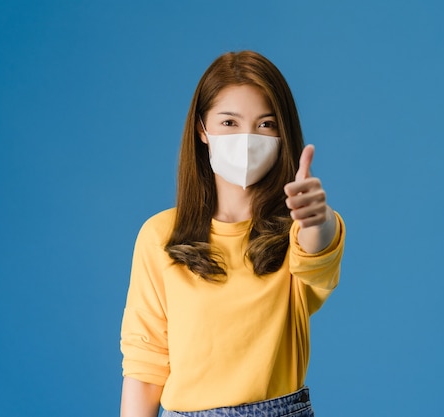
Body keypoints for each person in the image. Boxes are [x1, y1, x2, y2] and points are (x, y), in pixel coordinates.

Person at [120, 50, 345, 417]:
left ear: (282, 133)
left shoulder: (297, 232)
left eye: (265, 124)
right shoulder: (160, 236)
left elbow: (318, 256)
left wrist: (316, 218)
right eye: (229, 123)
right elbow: (145, 363)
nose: (247, 139)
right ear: (202, 129)